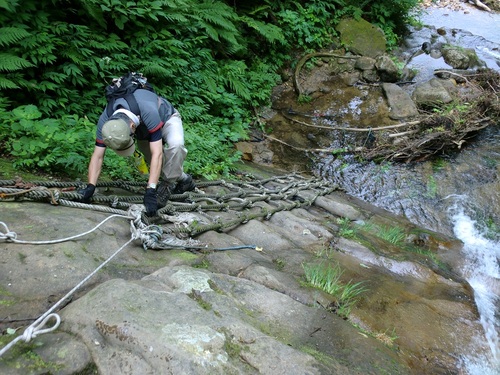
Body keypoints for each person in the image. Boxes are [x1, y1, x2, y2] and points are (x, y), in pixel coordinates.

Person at [79, 87, 195, 216]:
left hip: (167, 118)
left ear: (132, 127)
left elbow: (158, 153)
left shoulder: (148, 111)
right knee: (162, 168)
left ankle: (167, 185)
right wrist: (91, 186)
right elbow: (98, 156)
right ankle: (185, 180)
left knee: (176, 145)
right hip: (143, 132)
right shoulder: (105, 123)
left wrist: (151, 190)